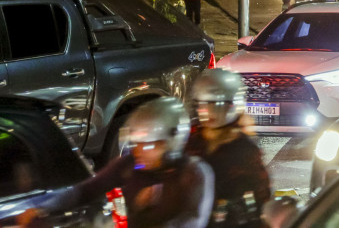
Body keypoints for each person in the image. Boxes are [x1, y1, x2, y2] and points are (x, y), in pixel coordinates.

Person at [20, 98, 214, 227]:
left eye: (146, 145)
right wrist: (43, 207)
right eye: (136, 144)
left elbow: (192, 221)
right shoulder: (130, 166)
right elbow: (83, 191)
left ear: (170, 142)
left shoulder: (195, 173)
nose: (137, 151)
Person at [186, 69, 271, 227]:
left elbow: (262, 195)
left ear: (232, 104)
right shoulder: (191, 142)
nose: (209, 110)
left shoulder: (244, 148)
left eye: (216, 104)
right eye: (203, 103)